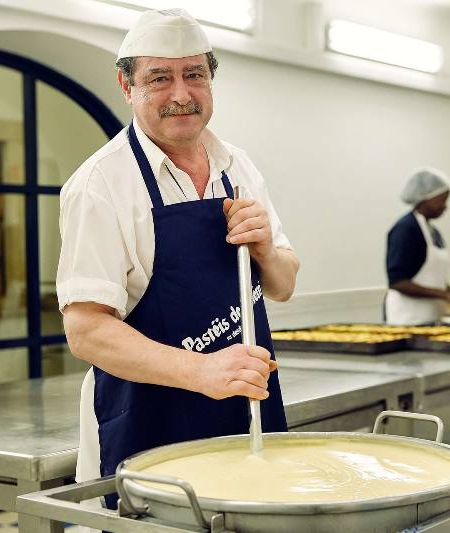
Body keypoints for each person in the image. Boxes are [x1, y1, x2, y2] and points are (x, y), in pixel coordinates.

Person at [56, 8, 300, 513]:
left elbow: (282, 284)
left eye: (195, 75)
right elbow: (86, 330)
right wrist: (201, 372)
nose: (181, 94)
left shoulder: (238, 166)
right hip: (148, 421)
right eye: (159, 79)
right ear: (127, 87)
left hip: (245, 406)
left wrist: (264, 251)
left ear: (211, 81)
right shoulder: (101, 186)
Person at [384, 167, 450, 325]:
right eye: (442, 200)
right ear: (425, 198)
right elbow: (398, 281)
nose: (445, 206)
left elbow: (433, 277)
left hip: (431, 317)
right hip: (407, 319)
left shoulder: (432, 231)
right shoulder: (406, 229)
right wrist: (446, 295)